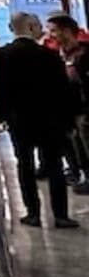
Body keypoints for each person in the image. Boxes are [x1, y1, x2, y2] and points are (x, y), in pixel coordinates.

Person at [0, 12, 79, 228]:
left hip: (19, 120)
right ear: (31, 27)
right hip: (49, 119)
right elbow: (63, 91)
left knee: (25, 165)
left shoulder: (3, 55)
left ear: (11, 28)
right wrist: (68, 120)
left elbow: (0, 89)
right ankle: (60, 215)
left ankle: (32, 213)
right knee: (54, 166)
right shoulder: (49, 56)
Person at [48, 14, 89, 190]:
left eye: (54, 31)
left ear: (66, 31)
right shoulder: (58, 56)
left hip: (84, 109)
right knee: (77, 145)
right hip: (69, 110)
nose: (51, 35)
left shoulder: (84, 54)